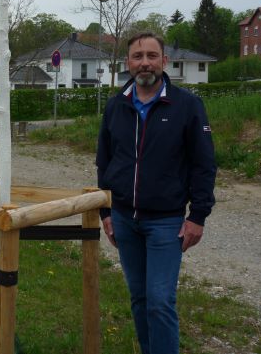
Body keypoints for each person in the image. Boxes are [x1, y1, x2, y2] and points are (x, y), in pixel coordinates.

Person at [96, 32, 216, 354]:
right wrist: (106, 212)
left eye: (152, 56)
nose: (145, 63)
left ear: (164, 61)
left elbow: (204, 164)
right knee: (139, 298)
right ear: (128, 62)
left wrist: (198, 216)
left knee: (160, 302)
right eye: (138, 56)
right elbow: (104, 162)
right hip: (124, 219)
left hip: (166, 222)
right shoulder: (116, 106)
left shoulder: (187, 106)